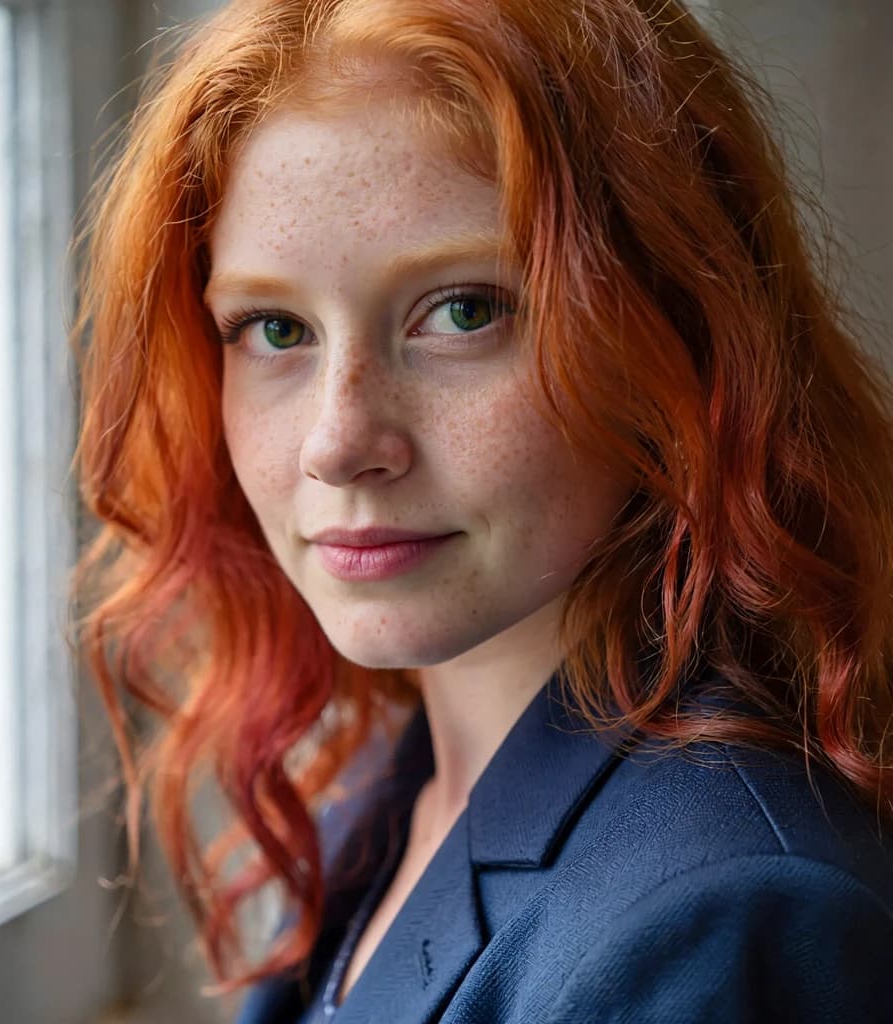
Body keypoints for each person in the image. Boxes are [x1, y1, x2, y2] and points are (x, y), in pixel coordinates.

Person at [70, 0, 893, 1020]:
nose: (338, 440)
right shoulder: (394, 796)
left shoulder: (721, 924)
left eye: (464, 310)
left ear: (673, 329)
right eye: (274, 327)